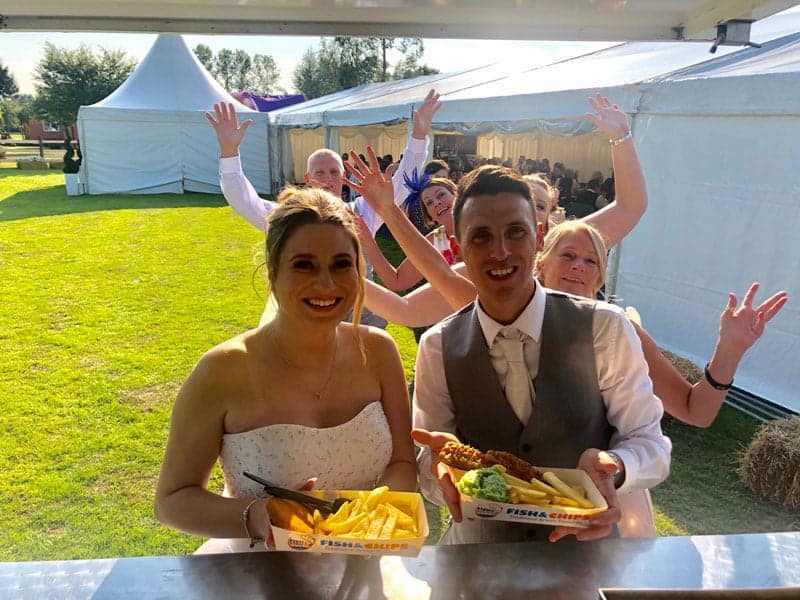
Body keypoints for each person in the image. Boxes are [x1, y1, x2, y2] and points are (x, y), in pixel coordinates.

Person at [411, 165, 671, 545]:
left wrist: (615, 466)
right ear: (461, 249)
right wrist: (438, 473)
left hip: (585, 548)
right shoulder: (437, 346)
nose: (500, 251)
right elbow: (432, 465)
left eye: (515, 232)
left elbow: (649, 442)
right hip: (482, 551)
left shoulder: (604, 327)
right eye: (480, 236)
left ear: (539, 237)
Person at [154, 188, 416, 553]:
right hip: (257, 570)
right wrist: (258, 516)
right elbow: (172, 500)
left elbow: (403, 462)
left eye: (342, 264)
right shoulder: (223, 370)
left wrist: (372, 514)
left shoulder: (379, 351)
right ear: (273, 273)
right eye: (303, 265)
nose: (325, 284)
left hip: (363, 562)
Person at [535, 219, 788, 536]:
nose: (579, 267)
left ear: (600, 277)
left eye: (591, 261)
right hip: (511, 504)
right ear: (541, 263)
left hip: (595, 511)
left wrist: (730, 349)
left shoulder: (620, 331)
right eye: (568, 255)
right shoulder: (502, 320)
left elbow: (695, 410)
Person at [204, 89, 441, 325]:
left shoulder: (360, 211)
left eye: (333, 172)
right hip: (308, 318)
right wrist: (229, 151)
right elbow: (244, 201)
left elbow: (400, 185)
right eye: (320, 172)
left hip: (362, 317)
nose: (327, 179)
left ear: (344, 175)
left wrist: (419, 135)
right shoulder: (291, 217)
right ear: (307, 178)